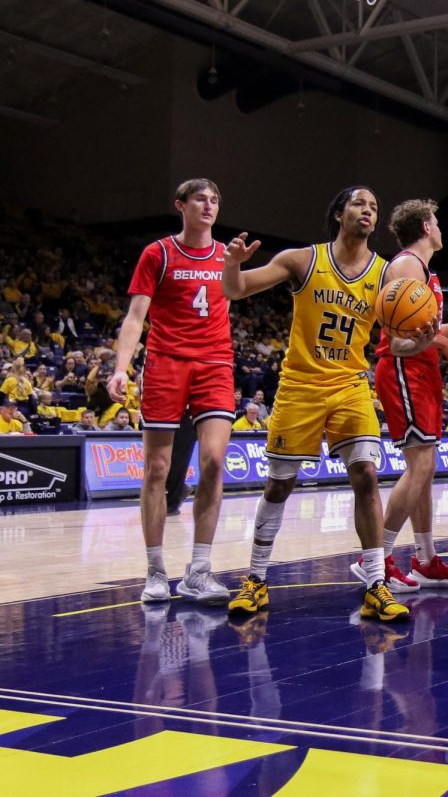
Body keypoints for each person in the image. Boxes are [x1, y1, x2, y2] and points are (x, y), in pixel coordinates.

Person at [222, 187, 405, 623]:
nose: (368, 211)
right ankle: (256, 579)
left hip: (349, 385)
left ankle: (376, 583)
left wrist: (418, 338)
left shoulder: (384, 276)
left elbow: (394, 340)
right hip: (300, 386)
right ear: (340, 212)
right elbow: (237, 289)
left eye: (374, 208)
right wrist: (232, 264)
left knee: (366, 473)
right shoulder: (302, 260)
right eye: (360, 203)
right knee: (279, 484)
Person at [108, 179, 235, 606]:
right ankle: (155, 570)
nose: (209, 205)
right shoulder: (157, 253)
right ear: (180, 205)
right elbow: (134, 316)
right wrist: (121, 369)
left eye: (215, 200)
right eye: (201, 198)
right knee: (157, 470)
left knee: (215, 461)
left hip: (215, 364)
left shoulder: (225, 256)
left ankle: (199, 571)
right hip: (165, 363)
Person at [354, 199, 448, 596]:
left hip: (420, 370)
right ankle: (376, 559)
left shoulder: (423, 271)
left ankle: (424, 560)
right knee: (419, 466)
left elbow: (422, 332)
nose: (440, 228)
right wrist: (442, 345)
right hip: (404, 369)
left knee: (427, 468)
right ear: (425, 227)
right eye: (436, 222)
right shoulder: (406, 266)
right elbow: (397, 339)